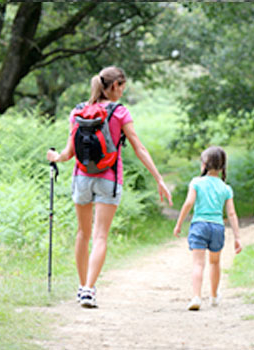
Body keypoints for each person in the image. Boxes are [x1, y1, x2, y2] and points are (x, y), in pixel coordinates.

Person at [47, 66, 173, 308]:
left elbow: (68, 152)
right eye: (122, 87)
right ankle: (89, 289)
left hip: (81, 178)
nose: (123, 92)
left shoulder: (78, 112)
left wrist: (55, 157)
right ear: (114, 86)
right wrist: (158, 178)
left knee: (82, 234)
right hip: (109, 178)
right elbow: (139, 147)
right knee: (100, 235)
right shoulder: (119, 112)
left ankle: (82, 287)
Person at [173, 146, 242, 311]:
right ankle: (213, 296)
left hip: (199, 225)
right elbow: (231, 213)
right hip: (217, 227)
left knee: (198, 264)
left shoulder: (196, 182)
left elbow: (189, 203)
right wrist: (237, 237)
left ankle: (196, 296)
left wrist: (179, 223)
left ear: (204, 164)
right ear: (222, 167)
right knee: (215, 262)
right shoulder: (226, 188)